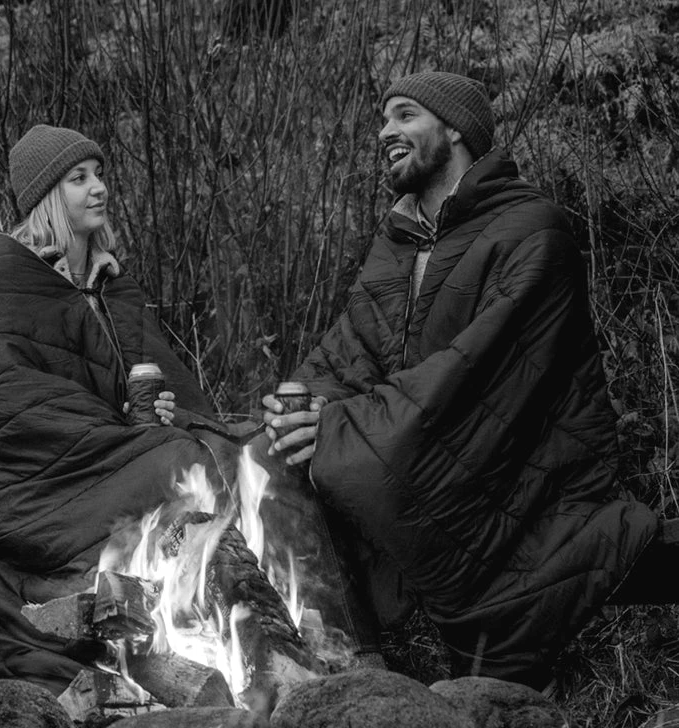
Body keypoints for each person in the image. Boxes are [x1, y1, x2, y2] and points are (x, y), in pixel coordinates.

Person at [262, 71, 660, 690]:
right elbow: (351, 352)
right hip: (416, 436)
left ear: (455, 130)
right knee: (264, 457)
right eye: (384, 119)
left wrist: (341, 427)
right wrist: (303, 406)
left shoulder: (532, 228)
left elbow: (479, 374)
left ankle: (436, 679)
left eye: (405, 116)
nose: (384, 132)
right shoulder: (397, 242)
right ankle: (348, 667)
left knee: (352, 458)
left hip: (515, 469)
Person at [0, 125, 243, 695]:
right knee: (181, 463)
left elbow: (156, 390)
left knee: (236, 453)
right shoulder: (11, 283)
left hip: (110, 454)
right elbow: (5, 404)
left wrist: (163, 411)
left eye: (100, 174)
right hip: (36, 485)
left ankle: (238, 627)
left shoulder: (112, 286)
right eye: (78, 178)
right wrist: (126, 428)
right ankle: (179, 628)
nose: (99, 187)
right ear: (46, 197)